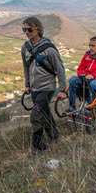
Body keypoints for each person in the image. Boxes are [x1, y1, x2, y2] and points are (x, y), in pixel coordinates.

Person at [21, 16, 67, 154]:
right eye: (24, 29)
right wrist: (27, 84)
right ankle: (55, 137)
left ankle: (37, 147)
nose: (27, 32)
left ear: (38, 29)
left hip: (47, 88)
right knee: (45, 114)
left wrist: (62, 89)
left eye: (29, 29)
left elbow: (60, 69)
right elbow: (26, 67)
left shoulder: (49, 49)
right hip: (34, 88)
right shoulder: (25, 48)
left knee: (36, 115)